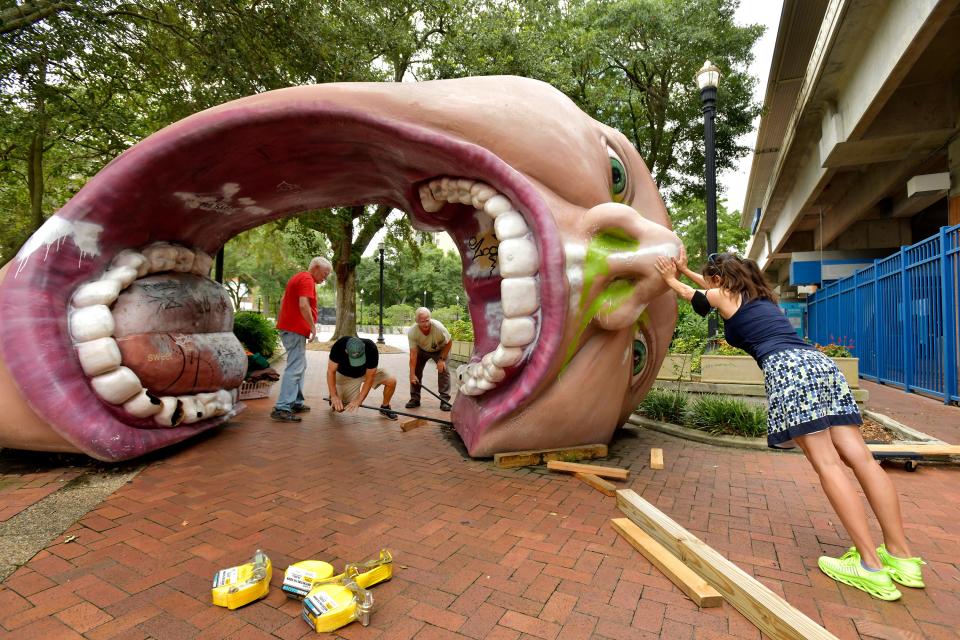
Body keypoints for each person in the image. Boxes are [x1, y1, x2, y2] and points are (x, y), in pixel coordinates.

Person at [655, 247, 924, 602]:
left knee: (827, 463)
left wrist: (671, 278)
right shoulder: (760, 298)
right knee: (861, 458)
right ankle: (901, 556)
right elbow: (706, 292)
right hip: (820, 364)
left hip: (789, 370)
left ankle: (870, 566)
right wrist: (690, 271)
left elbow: (697, 296)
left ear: (720, 280)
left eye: (712, 278)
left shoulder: (725, 294)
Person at [271, 257, 332, 423]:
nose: (325, 278)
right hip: (294, 330)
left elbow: (285, 300)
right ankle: (282, 407)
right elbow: (304, 305)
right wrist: (312, 327)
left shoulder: (299, 277)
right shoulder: (306, 279)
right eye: (325, 274)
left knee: (300, 365)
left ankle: (296, 402)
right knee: (295, 366)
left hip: (291, 329)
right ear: (316, 268)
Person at [328, 336, 398, 420]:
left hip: (365, 373)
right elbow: (330, 372)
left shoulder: (371, 347)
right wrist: (334, 395)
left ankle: (385, 408)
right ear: (346, 351)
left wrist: (359, 400)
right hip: (346, 377)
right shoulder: (339, 346)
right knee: (340, 408)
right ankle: (333, 396)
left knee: (391, 381)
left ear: (363, 347)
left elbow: (370, 378)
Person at [406, 307, 452, 410]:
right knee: (415, 371)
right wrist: (412, 374)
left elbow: (449, 342)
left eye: (427, 320)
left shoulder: (438, 328)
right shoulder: (413, 332)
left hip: (440, 350)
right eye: (422, 321)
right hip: (422, 350)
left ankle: (444, 400)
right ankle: (415, 399)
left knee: (443, 370)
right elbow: (413, 355)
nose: (426, 324)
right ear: (417, 321)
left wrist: (442, 360)